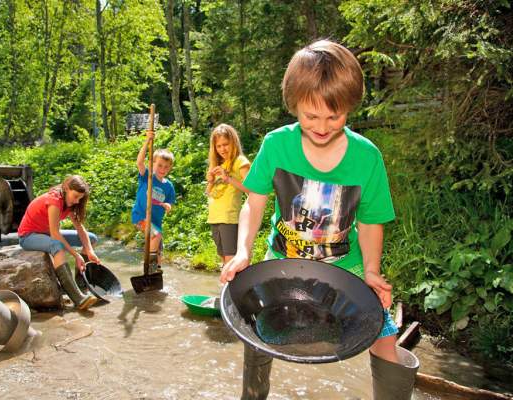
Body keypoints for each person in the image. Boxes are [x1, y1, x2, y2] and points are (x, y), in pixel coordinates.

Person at [220, 40, 418, 400]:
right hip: (282, 264)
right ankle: (253, 395)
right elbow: (254, 203)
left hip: (347, 270)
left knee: (385, 336)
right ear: (294, 105)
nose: (323, 126)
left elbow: (372, 221)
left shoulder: (366, 158)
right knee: (257, 334)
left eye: (335, 116)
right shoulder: (277, 145)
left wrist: (372, 271)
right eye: (311, 117)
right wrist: (242, 251)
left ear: (349, 107)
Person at [18, 175, 99, 310]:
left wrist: (90, 251)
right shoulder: (54, 200)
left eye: (80, 198)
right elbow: (55, 234)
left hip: (47, 234)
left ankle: (81, 285)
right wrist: (76, 255)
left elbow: (80, 228)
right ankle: (77, 298)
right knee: (57, 245)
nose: (77, 201)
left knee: (91, 239)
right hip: (28, 237)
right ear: (66, 188)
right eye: (75, 197)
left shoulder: (70, 202)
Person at [206, 124, 250, 266]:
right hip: (215, 218)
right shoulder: (219, 164)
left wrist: (229, 179)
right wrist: (211, 181)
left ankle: (234, 288)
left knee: (231, 261)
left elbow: (252, 190)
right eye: (218, 146)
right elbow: (208, 193)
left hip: (229, 218)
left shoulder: (240, 161)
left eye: (226, 144)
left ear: (234, 142)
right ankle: (229, 287)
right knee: (225, 261)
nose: (222, 149)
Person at [131, 129, 176, 272]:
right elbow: (139, 162)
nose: (163, 169)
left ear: (170, 168)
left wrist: (168, 206)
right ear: (153, 163)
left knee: (159, 250)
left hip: (156, 222)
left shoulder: (169, 186)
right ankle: (148, 268)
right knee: (156, 235)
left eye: (166, 167)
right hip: (141, 217)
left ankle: (156, 270)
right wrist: (147, 141)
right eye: (160, 165)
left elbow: (170, 203)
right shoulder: (148, 176)